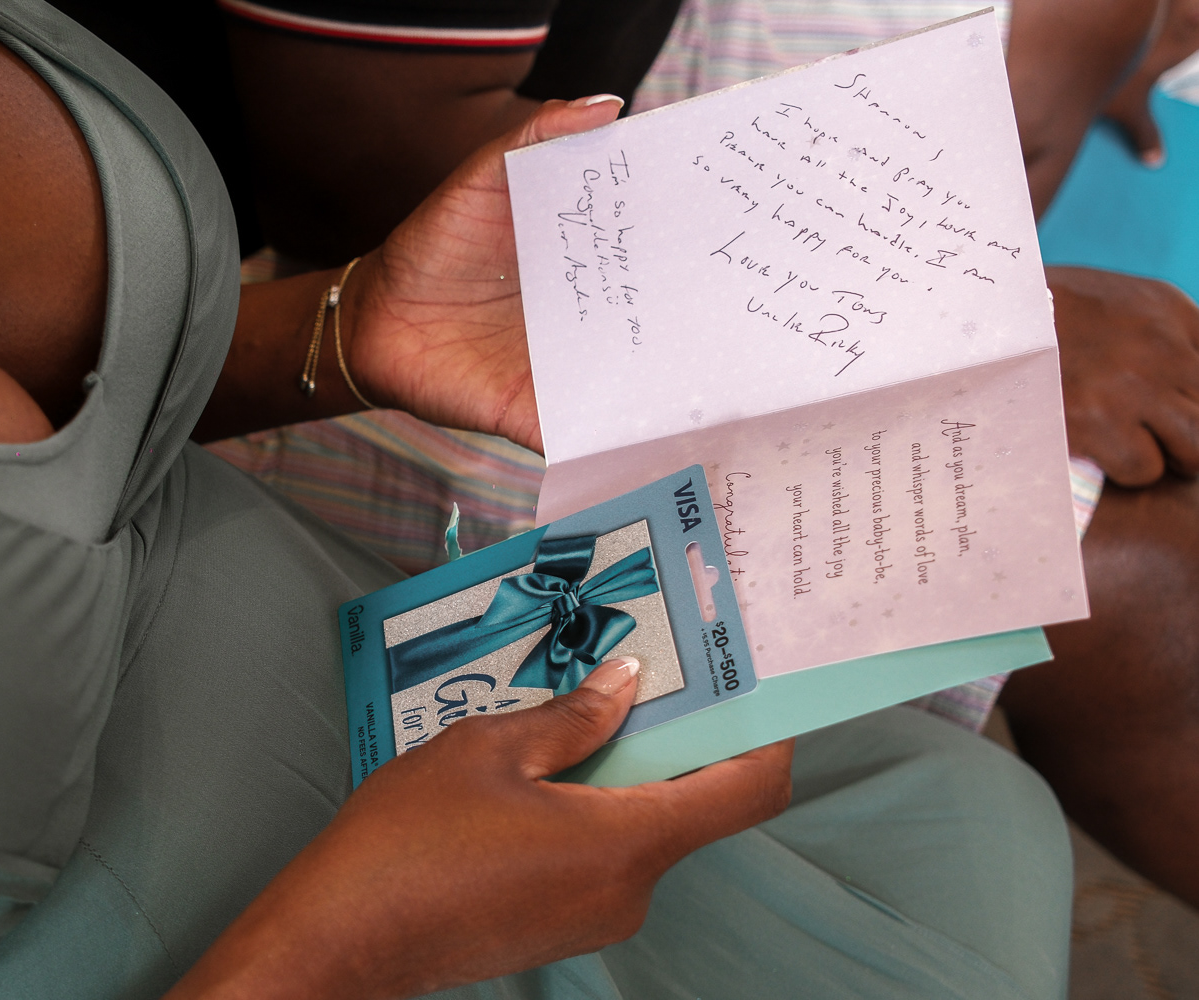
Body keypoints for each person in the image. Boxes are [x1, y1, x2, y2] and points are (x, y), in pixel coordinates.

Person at [0, 1, 1071, 998]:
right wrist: (339, 954)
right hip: (331, 931)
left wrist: (347, 332)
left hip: (428, 715)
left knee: (961, 812)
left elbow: (49, 418)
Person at [121, 0, 1199, 907]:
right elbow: (350, 163)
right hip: (341, 294)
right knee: (1146, 564)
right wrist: (952, 305)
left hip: (616, 61)